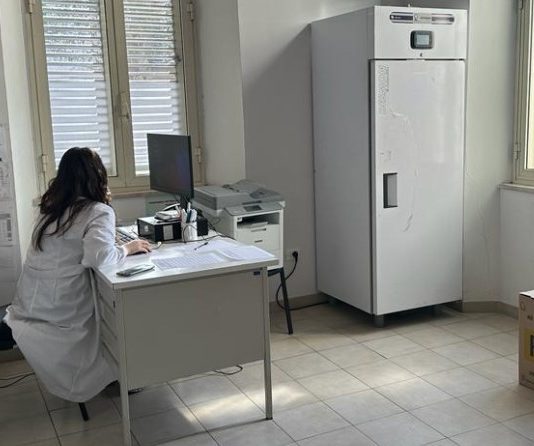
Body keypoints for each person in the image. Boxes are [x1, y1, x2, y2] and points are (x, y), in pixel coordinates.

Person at [2, 147, 151, 402]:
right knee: (121, 311)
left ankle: (118, 373)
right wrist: (129, 247)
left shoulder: (50, 208)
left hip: (32, 302)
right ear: (98, 176)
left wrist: (110, 242)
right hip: (62, 309)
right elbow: (98, 257)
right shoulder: (98, 211)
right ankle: (123, 374)